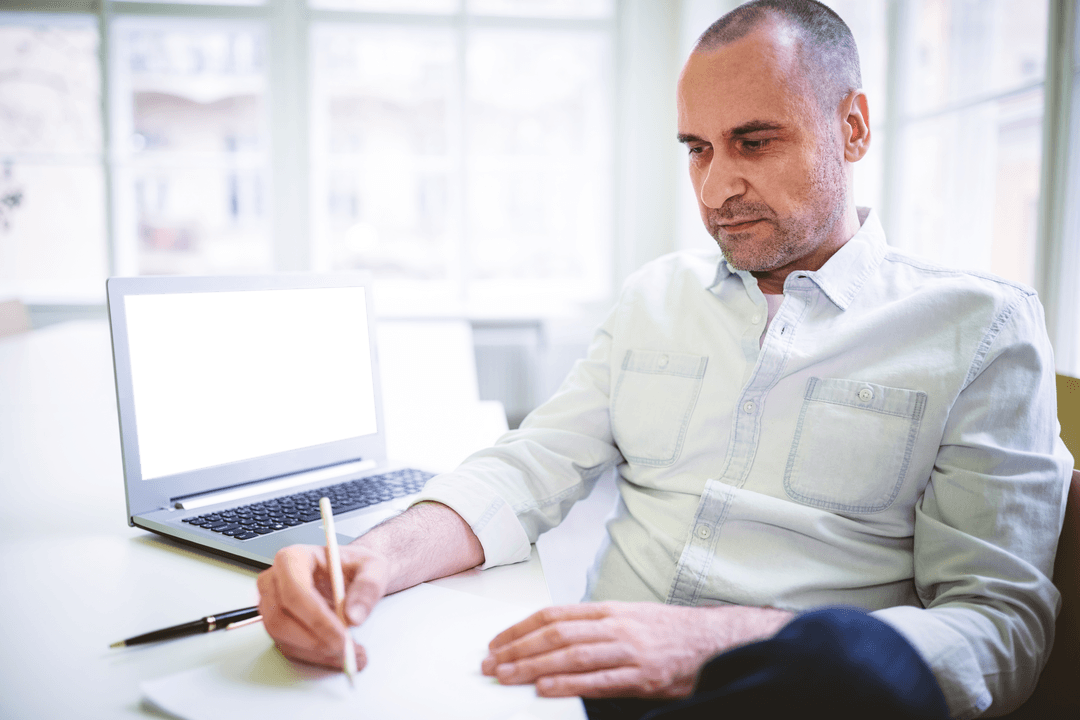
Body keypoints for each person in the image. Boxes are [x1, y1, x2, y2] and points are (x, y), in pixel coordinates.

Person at [255, 1, 1073, 718]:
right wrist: (370, 559)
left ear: (852, 127)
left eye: (753, 141)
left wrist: (710, 645)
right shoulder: (656, 296)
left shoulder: (979, 330)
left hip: (792, 695)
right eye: (697, 148)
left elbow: (998, 632)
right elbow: (529, 467)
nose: (715, 189)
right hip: (590, 688)